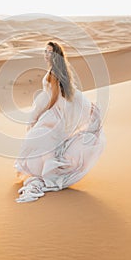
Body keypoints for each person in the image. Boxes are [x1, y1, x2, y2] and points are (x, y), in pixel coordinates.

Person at [13, 41, 106, 203]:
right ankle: (47, 173)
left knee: (37, 140)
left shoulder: (54, 74)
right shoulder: (61, 72)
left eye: (49, 52)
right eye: (45, 51)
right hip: (56, 118)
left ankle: (48, 176)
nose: (46, 55)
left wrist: (37, 115)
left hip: (52, 118)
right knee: (45, 146)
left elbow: (52, 98)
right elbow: (71, 95)